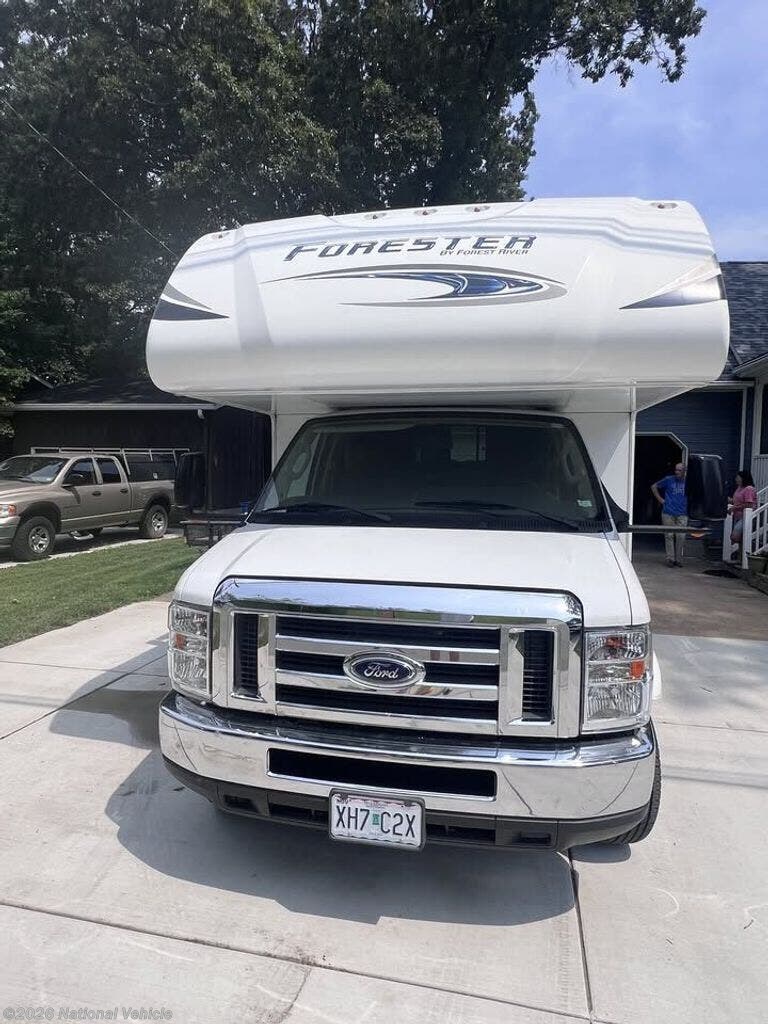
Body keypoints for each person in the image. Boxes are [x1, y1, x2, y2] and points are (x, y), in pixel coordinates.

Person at [651, 462, 688, 567]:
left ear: (684, 471)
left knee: (681, 536)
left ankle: (678, 559)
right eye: (676, 470)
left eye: (679, 470)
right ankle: (670, 559)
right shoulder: (668, 479)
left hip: (682, 512)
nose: (677, 472)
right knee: (669, 535)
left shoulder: (688, 482)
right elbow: (654, 486)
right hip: (668, 511)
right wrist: (660, 500)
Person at [728, 469, 757, 561]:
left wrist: (734, 508)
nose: (736, 479)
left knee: (735, 536)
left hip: (745, 517)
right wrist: (728, 500)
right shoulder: (739, 488)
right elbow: (736, 501)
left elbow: (749, 504)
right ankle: (740, 558)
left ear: (743, 478)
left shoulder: (749, 489)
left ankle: (740, 554)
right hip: (737, 516)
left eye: (738, 477)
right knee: (741, 539)